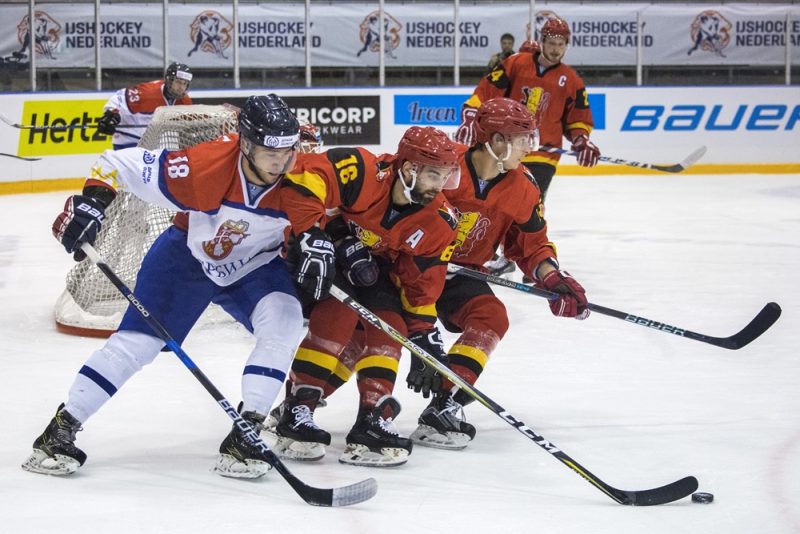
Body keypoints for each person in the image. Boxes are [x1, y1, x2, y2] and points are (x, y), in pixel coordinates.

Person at [22, 94, 310, 481]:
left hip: (255, 266)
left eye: (287, 151)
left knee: (285, 322)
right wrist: (91, 203)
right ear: (245, 144)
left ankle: (248, 433)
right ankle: (60, 429)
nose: (281, 163)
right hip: (187, 259)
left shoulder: (305, 172)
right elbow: (114, 164)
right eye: (269, 152)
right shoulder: (199, 167)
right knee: (136, 346)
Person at [270, 126, 462, 467]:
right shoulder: (361, 167)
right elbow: (303, 180)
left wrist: (422, 334)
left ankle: (373, 418)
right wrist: (325, 237)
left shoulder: (441, 221)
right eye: (434, 175)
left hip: (373, 269)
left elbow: (421, 282)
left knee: (392, 324)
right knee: (340, 312)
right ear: (409, 169)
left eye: (446, 176)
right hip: (318, 257)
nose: (439, 187)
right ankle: (297, 409)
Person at [410, 97, 590, 449]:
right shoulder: (444, 169)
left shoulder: (523, 186)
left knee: (491, 316)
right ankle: (302, 401)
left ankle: (445, 401)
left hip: (461, 276)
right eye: (522, 139)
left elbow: (531, 244)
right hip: (411, 272)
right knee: (367, 327)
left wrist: (552, 277)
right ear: (495, 142)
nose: (530, 147)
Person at [458, 17, 599, 200]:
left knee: (529, 206)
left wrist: (581, 140)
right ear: (542, 42)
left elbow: (578, 119)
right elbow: (486, 91)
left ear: (566, 46)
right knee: (492, 203)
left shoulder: (572, 80)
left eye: (560, 44)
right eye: (551, 43)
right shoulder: (516, 63)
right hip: (506, 149)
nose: (556, 49)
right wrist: (470, 117)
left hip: (543, 156)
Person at [97, 62, 193, 150]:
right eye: (178, 82)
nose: (181, 87)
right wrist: (111, 115)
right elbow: (119, 97)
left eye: (184, 84)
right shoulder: (148, 93)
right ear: (169, 80)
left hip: (152, 142)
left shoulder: (184, 101)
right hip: (128, 137)